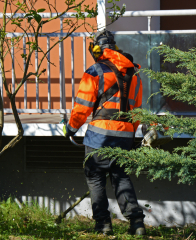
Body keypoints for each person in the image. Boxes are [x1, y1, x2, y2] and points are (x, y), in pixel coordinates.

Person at [63, 29, 145, 235]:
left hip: (99, 136)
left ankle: (103, 225)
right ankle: (136, 223)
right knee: (121, 177)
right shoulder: (133, 74)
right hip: (125, 134)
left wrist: (70, 128)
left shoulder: (96, 71)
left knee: (95, 177)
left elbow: (83, 105)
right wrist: (131, 134)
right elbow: (136, 110)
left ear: (97, 50)